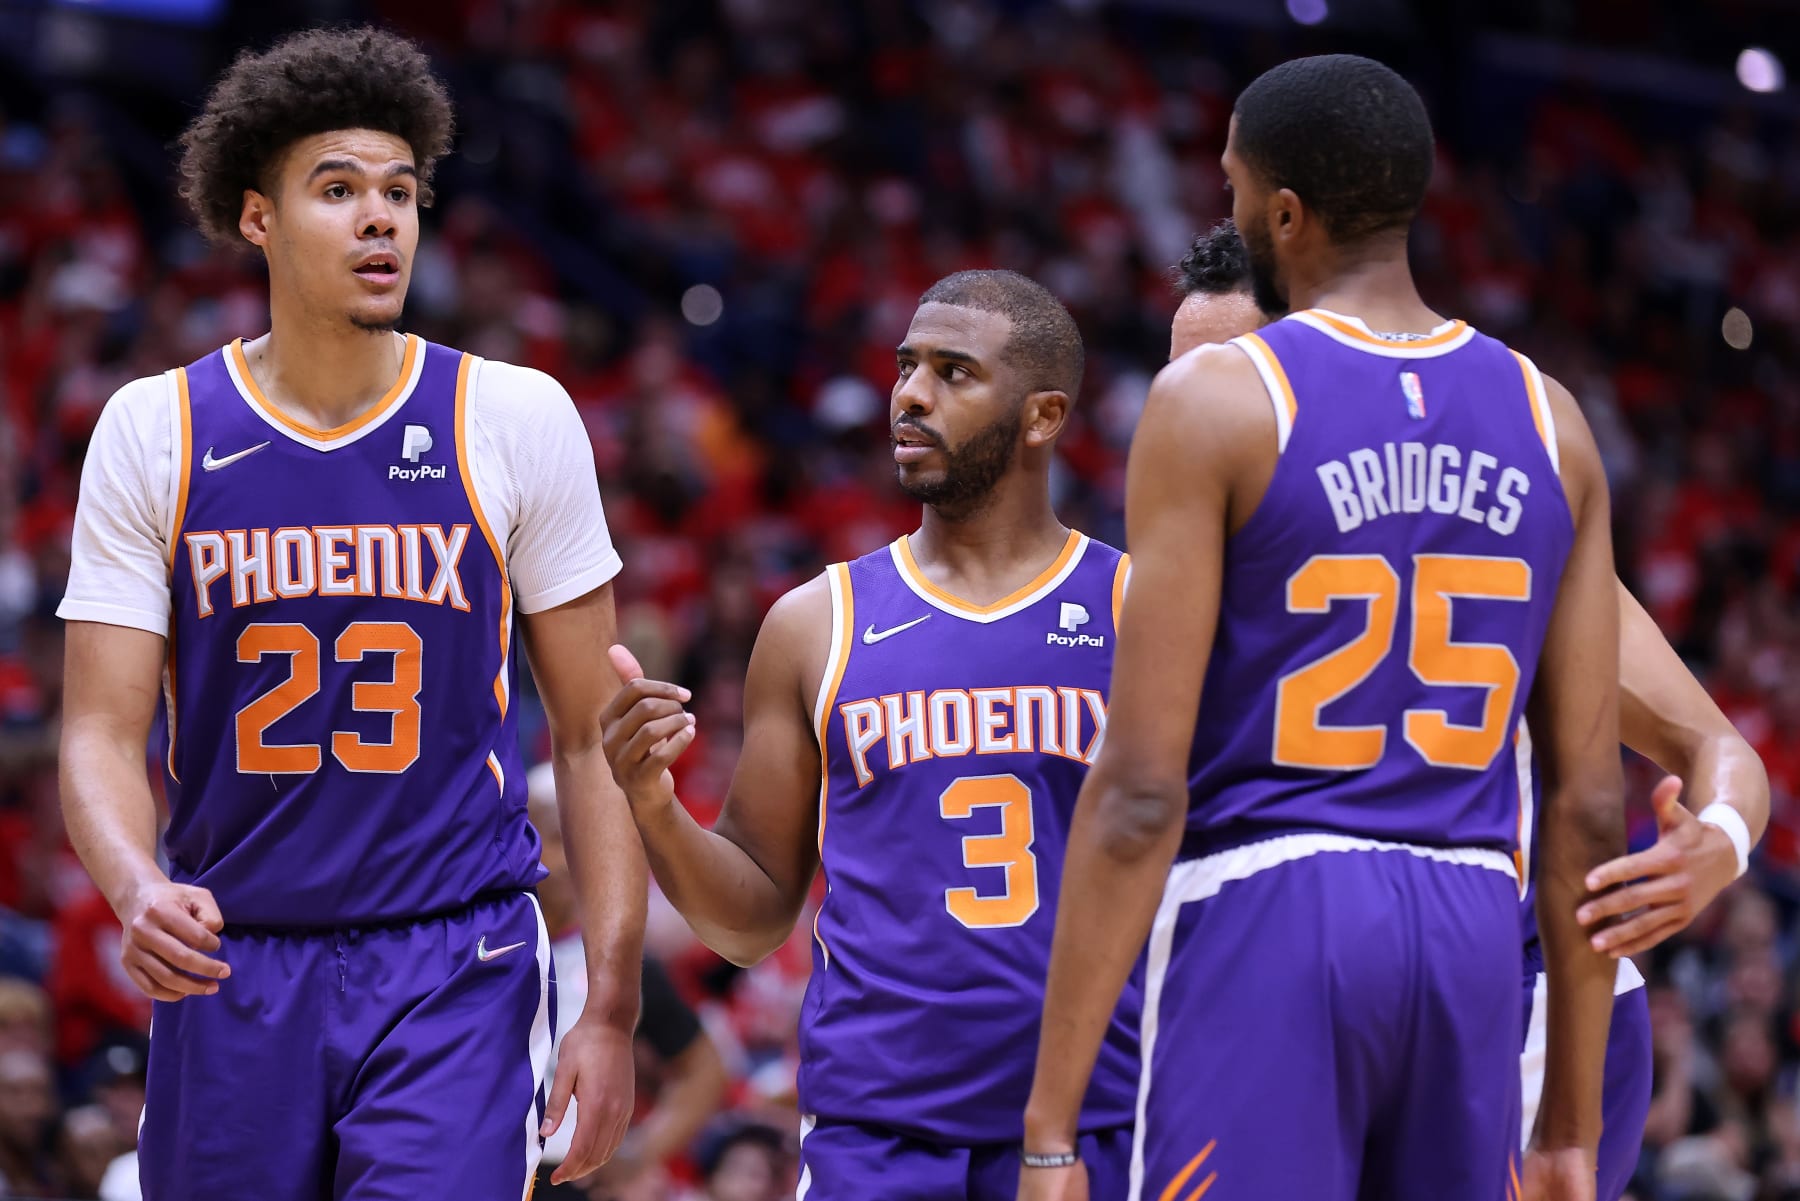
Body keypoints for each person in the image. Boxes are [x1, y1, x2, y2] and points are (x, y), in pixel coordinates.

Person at [1020, 55, 1624, 1201]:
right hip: (1471, 922)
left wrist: (1052, 1126)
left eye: (1233, 185)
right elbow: (1590, 809)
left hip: (1271, 904)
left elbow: (1143, 790)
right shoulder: (1557, 423)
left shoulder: (1219, 399)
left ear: (1282, 213)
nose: (1226, 208)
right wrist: (1567, 1128)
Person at [55, 27, 644, 1200]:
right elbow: (98, 734)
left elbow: (591, 737)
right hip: (234, 957)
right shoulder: (157, 429)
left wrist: (612, 1007)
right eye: (338, 191)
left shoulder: (514, 418)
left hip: (453, 954)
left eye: (400, 192)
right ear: (259, 218)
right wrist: (134, 885)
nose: (381, 219)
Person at [1168, 218, 1772, 1201]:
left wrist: (1721, 840)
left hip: (1519, 1007)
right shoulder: (1166, 583)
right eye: (1173, 381)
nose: (1180, 412)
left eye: (1218, 375)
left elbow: (1717, 747)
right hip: (1296, 994)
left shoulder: (1505, 548)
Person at [601, 270, 1138, 1199]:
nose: (912, 394)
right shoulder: (818, 621)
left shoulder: (1140, 611)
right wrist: (654, 802)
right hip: (877, 1130)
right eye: (906, 366)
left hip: (1097, 1117)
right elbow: (750, 918)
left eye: (954, 372)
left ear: (1044, 415)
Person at [524, 762, 729, 1198]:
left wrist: (641, 1151)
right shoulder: (482, 946)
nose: (575, 858)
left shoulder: (621, 962)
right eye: (559, 839)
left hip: (572, 1179)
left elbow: (704, 1070)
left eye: (587, 841)